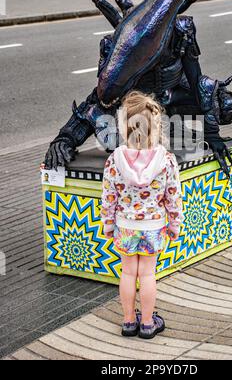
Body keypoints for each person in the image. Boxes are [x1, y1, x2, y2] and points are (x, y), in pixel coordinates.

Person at [101, 91, 183, 339]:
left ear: (124, 127)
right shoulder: (166, 161)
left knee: (127, 273)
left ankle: (128, 322)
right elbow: (173, 197)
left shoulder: (114, 161)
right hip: (154, 226)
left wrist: (107, 225)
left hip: (125, 226)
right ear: (156, 126)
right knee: (148, 274)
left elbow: (108, 197)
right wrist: (174, 225)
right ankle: (147, 323)